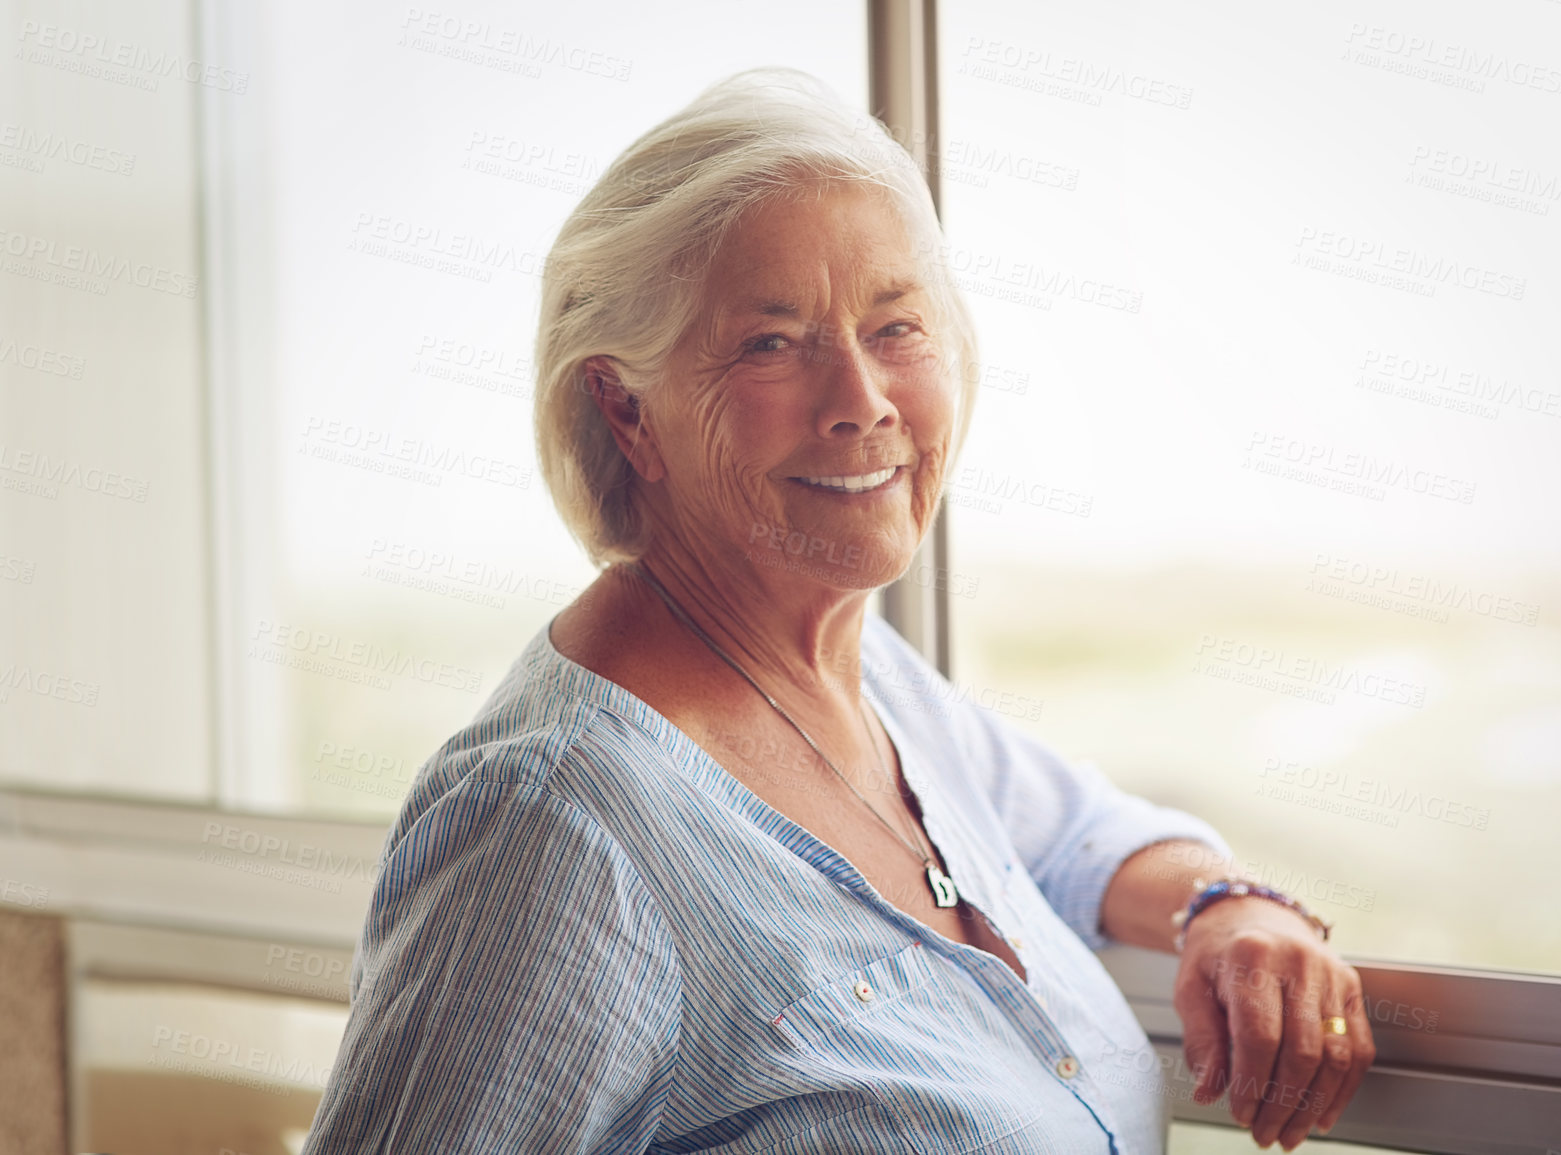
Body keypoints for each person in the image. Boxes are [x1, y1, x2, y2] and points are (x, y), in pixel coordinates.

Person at [301, 68, 1373, 1154]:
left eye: (897, 327)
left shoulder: (866, 680)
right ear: (625, 411)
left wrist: (1231, 913)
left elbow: (1085, 837)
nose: (862, 403)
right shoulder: (551, 825)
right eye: (772, 343)